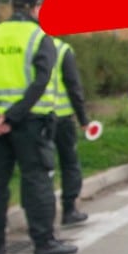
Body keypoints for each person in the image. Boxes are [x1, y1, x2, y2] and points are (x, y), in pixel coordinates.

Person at [0, 0, 78, 254]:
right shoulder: (40, 36)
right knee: (36, 180)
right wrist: (13, 116)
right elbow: (41, 81)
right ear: (35, 7)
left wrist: (1, 118)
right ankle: (44, 242)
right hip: (30, 122)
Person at [48, 33, 90, 225]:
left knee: (38, 170)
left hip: (29, 118)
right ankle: (69, 209)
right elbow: (73, 86)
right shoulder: (61, 49)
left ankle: (42, 217)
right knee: (69, 162)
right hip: (62, 117)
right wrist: (83, 119)